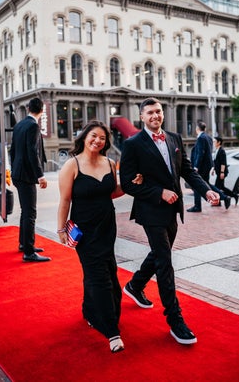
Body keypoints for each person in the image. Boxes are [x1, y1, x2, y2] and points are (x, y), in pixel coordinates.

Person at [119, 97, 219, 345]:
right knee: (165, 262)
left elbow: (186, 170)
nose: (155, 116)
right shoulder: (133, 144)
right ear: (141, 116)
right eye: (150, 112)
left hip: (173, 210)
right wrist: (158, 192)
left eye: (158, 111)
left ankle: (135, 285)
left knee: (158, 254)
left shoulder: (174, 138)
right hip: (151, 210)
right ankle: (175, 320)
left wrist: (206, 191)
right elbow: (129, 183)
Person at [57, 120, 142, 353]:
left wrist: (129, 185)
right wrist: (61, 229)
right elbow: (65, 200)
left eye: (102, 138)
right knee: (100, 278)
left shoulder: (110, 163)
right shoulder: (71, 165)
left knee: (107, 271)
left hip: (107, 227)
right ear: (84, 137)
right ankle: (112, 331)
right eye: (93, 136)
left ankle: (90, 311)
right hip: (84, 231)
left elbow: (112, 192)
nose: (97, 141)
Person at [10, 97, 51, 262]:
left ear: (28, 109)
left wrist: (13, 170)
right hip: (26, 175)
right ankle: (29, 252)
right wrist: (41, 176)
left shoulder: (19, 125)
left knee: (25, 211)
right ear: (42, 110)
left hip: (18, 174)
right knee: (30, 212)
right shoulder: (33, 126)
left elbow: (13, 151)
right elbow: (33, 152)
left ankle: (24, 244)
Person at [187, 121, 214, 213]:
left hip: (202, 166)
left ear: (197, 129)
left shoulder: (201, 138)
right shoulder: (208, 137)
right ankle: (224, 197)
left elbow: (200, 153)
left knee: (196, 184)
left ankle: (197, 206)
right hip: (207, 165)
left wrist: (196, 166)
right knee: (206, 184)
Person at [212, 136, 239, 206]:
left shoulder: (222, 151)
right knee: (221, 187)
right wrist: (213, 169)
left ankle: (220, 201)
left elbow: (223, 163)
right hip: (219, 172)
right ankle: (235, 195)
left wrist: (222, 172)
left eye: (214, 141)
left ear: (219, 142)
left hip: (222, 172)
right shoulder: (216, 151)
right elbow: (216, 162)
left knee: (216, 188)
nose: (213, 143)